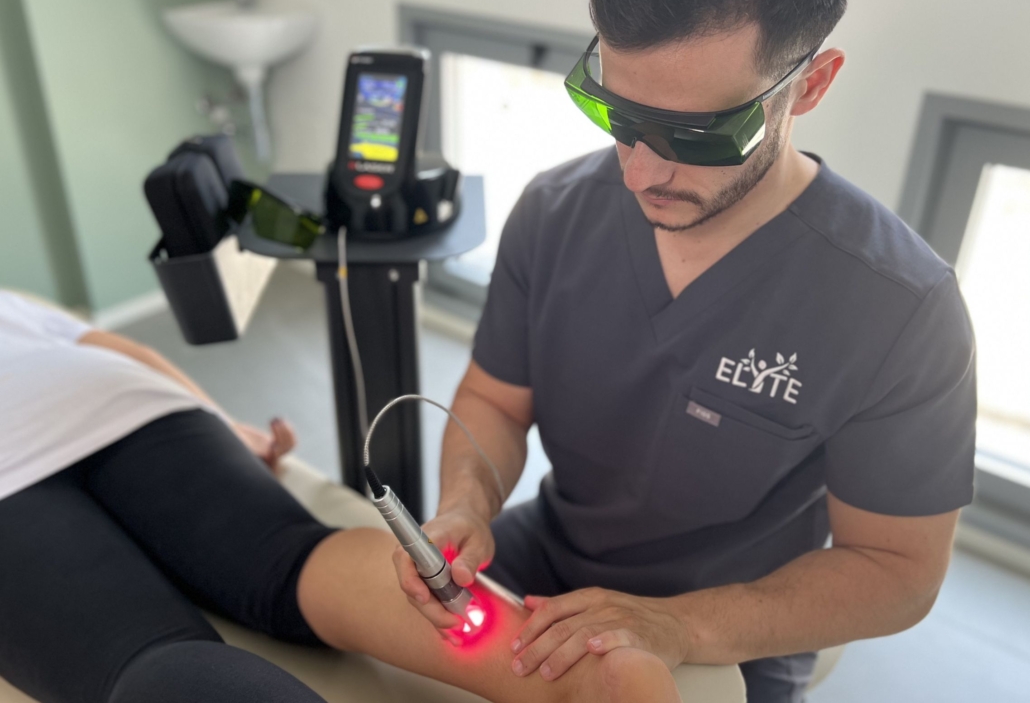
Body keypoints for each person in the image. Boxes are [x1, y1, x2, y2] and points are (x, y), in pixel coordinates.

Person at [394, 0, 977, 702]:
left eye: (697, 134)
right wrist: (464, 505)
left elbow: (897, 571)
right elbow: (496, 403)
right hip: (544, 557)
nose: (640, 172)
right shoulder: (555, 212)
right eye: (617, 114)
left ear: (811, 84)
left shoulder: (900, 308)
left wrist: (678, 625)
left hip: (736, 624)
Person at [0, 289, 680, 703]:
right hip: (127, 402)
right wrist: (220, 420)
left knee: (144, 653)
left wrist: (223, 419)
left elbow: (101, 338)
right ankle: (588, 683)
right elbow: (105, 346)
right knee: (293, 559)